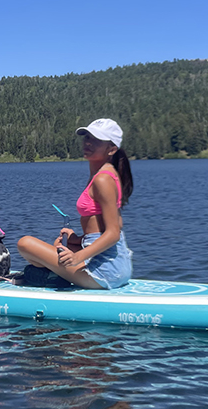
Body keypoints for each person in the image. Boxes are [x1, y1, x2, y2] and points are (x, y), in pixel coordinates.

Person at [17, 118, 134, 289]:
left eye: (97, 140)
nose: (88, 143)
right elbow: (117, 222)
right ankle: (55, 273)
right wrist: (79, 240)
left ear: (112, 149)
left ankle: (52, 276)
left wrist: (77, 257)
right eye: (87, 137)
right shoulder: (103, 174)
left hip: (105, 272)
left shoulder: (103, 179)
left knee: (25, 244)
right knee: (48, 251)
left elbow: (114, 232)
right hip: (110, 266)